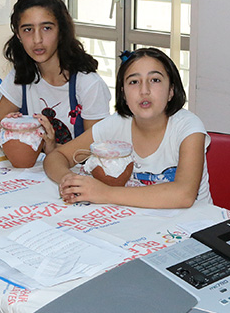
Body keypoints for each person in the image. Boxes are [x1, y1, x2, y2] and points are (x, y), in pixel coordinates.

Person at [45, 48, 210, 208]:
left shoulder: (188, 127)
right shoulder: (116, 124)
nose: (144, 91)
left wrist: (104, 193)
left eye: (155, 80)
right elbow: (57, 157)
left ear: (171, 91)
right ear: (123, 94)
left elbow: (184, 194)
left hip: (196, 222)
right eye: (134, 82)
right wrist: (71, 180)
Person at [0, 0, 110, 154]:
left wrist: (53, 148)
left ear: (61, 31)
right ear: (18, 35)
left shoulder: (88, 84)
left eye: (46, 28)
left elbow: (96, 151)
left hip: (74, 168)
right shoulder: (21, 75)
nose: (37, 40)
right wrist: (4, 132)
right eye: (28, 29)